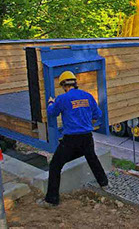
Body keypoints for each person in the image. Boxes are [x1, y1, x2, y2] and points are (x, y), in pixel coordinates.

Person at [38, 71, 108, 207]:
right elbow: (97, 114)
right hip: (87, 137)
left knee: (55, 165)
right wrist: (87, 123)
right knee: (92, 158)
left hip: (70, 139)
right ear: (75, 83)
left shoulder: (62, 98)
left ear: (64, 85)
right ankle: (104, 183)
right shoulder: (87, 96)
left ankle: (51, 200)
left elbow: (52, 113)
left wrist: (51, 103)